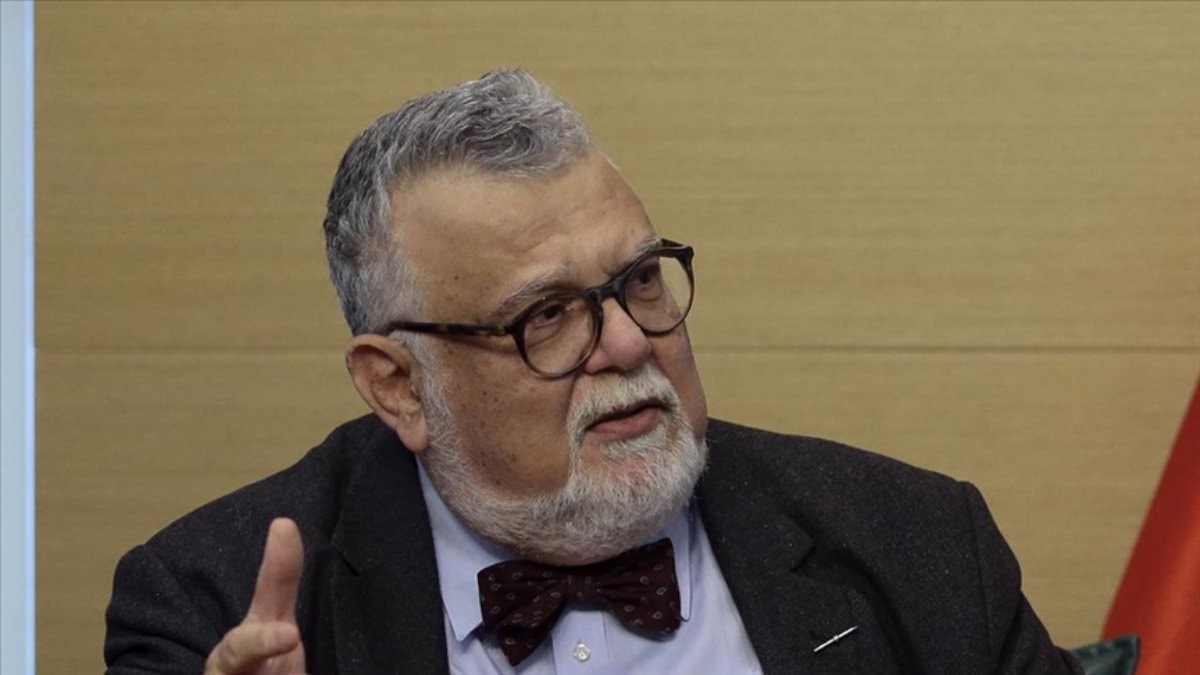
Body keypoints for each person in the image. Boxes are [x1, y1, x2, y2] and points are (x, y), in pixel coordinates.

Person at [105, 69, 1082, 675]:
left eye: (640, 280)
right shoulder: (206, 600)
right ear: (398, 385)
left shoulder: (919, 545)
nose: (627, 343)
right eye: (547, 315)